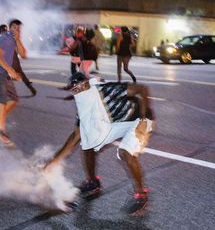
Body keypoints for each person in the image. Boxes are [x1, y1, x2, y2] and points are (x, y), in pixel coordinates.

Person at [44, 72, 154, 214]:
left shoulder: (107, 89)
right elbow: (75, 137)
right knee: (88, 143)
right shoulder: (83, 105)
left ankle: (141, 195)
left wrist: (144, 119)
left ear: (84, 84)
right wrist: (54, 161)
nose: (75, 92)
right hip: (114, 123)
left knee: (125, 152)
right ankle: (93, 182)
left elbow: (142, 89)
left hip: (138, 120)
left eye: (76, 88)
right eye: (72, 89)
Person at [0, 19, 26, 148]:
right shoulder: (4, 38)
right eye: (14, 28)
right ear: (9, 28)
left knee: (14, 100)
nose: (17, 30)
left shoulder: (15, 40)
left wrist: (19, 39)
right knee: (2, 101)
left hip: (5, 75)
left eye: (19, 28)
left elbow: (24, 54)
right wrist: (10, 70)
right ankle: (0, 133)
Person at [0, 25, 36, 96]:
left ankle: (3, 93)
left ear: (0, 31)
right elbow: (16, 47)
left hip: (9, 61)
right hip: (15, 59)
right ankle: (32, 89)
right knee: (21, 74)